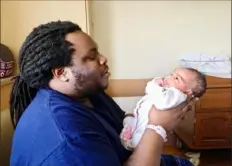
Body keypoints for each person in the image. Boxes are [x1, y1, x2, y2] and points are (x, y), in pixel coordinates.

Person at [9, 20, 194, 166]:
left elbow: (120, 127)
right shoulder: (69, 140)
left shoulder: (88, 93)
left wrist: (149, 114)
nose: (103, 59)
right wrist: (158, 127)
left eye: (98, 52)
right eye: (91, 57)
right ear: (61, 73)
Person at [120, 67, 206, 149]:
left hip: (148, 124)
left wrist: (155, 83)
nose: (169, 77)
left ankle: (131, 144)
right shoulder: (170, 92)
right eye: (171, 74)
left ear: (188, 91)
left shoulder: (177, 95)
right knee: (129, 120)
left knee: (138, 139)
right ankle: (129, 136)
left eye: (177, 78)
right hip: (141, 118)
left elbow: (161, 102)